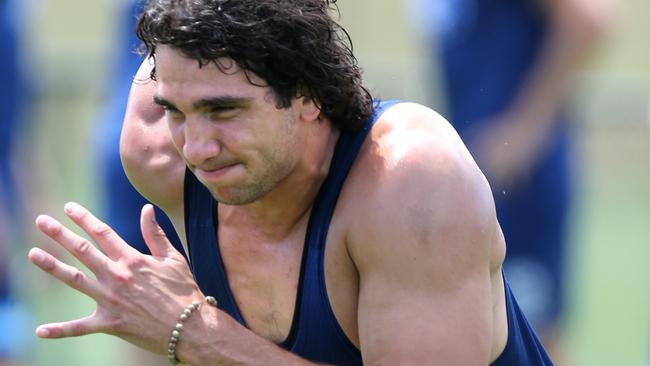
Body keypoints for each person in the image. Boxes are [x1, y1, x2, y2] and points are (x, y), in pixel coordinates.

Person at [28, 1, 553, 364]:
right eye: (177, 111)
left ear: (307, 96)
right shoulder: (156, 154)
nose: (197, 147)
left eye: (224, 110)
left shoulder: (409, 182)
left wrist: (192, 334)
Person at [408, 0, 613, 360]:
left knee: (529, 341)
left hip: (519, 183)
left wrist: (525, 128)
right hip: (471, 182)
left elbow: (588, 18)